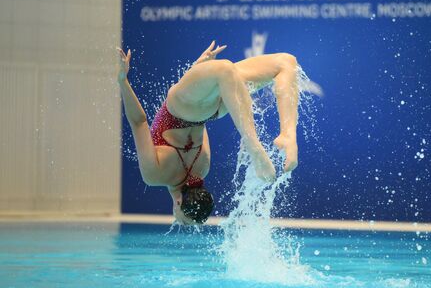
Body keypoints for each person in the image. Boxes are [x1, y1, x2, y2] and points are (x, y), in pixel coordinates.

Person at [116, 41, 299, 225]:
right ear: (178, 203)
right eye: (184, 222)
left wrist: (199, 71)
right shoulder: (154, 176)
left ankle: (286, 134)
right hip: (182, 107)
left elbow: (198, 115)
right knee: (226, 69)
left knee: (285, 62)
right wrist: (123, 81)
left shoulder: (203, 168)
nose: (179, 223)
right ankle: (261, 142)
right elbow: (139, 122)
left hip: (213, 110)